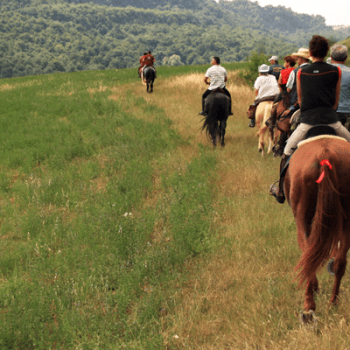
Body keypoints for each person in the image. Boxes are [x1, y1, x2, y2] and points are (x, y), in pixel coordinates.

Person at [270, 35, 350, 204]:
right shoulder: (335, 71)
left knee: (287, 150)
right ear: (326, 51)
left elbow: (301, 99)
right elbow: (335, 102)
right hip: (332, 121)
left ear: (311, 52)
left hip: (307, 122)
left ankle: (281, 190)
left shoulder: (300, 72)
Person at [330, 44, 350, 128]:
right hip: (347, 112)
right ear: (346, 57)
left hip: (329, 113)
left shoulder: (325, 72)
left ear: (331, 57)